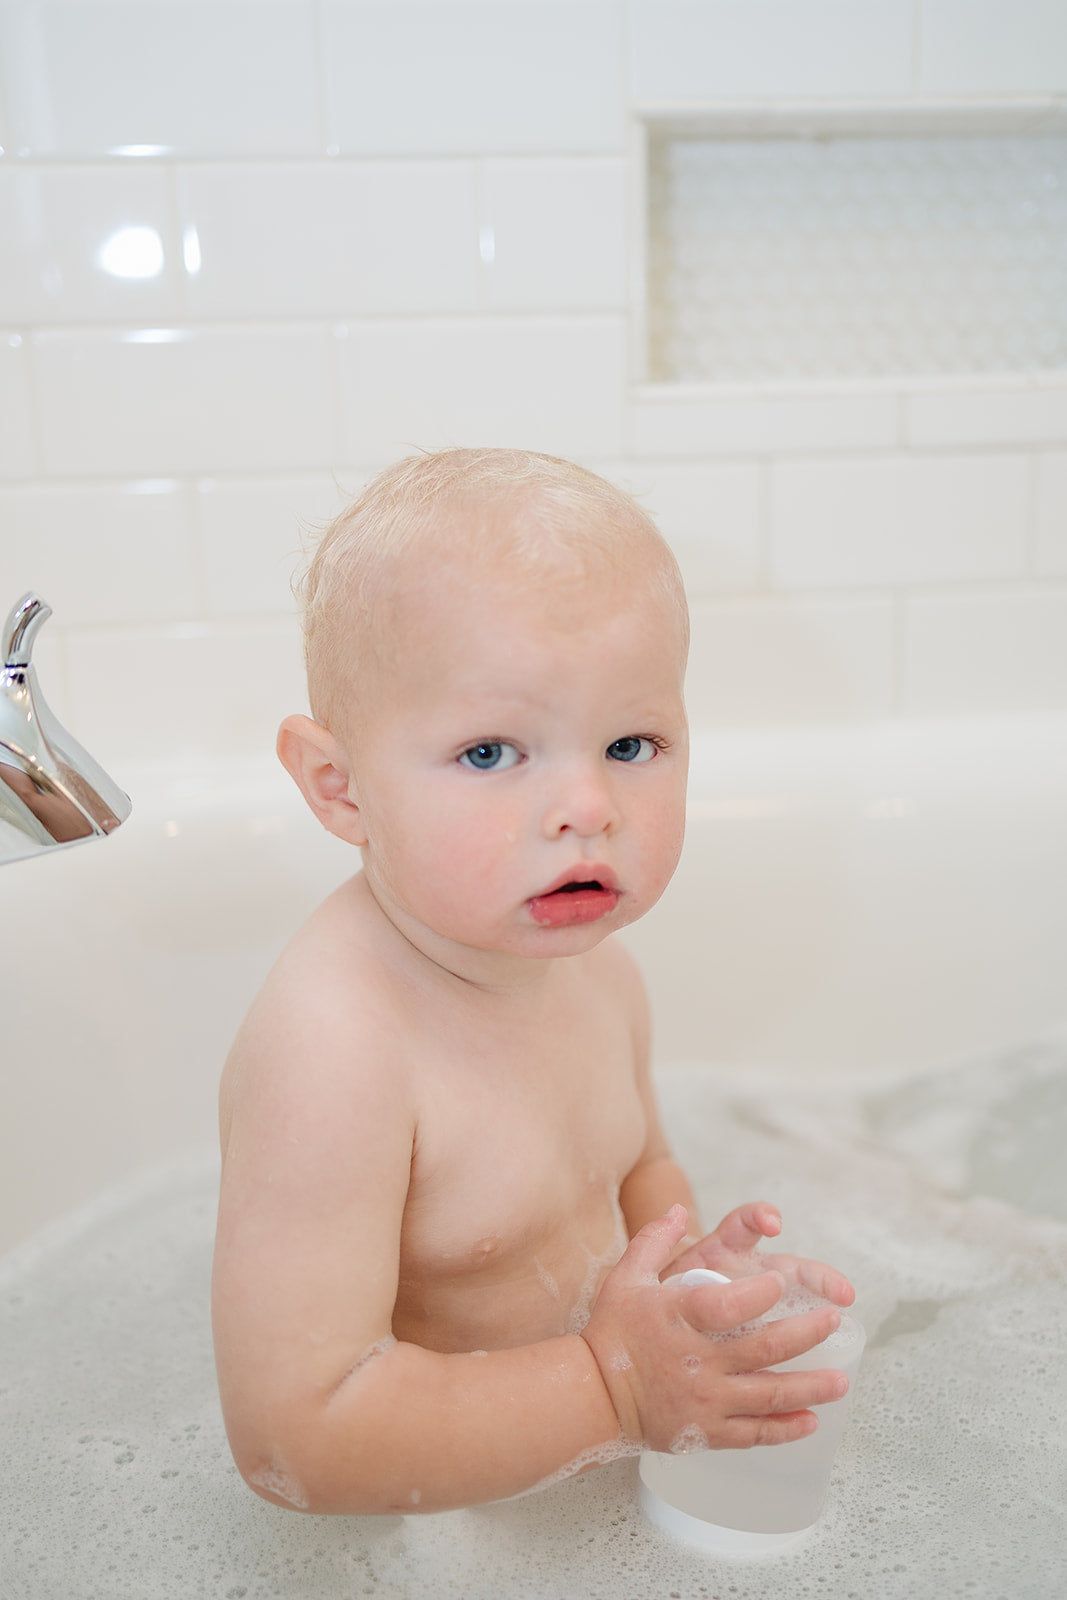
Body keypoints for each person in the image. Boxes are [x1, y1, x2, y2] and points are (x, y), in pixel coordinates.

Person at [211, 447, 855, 1517]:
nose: (585, 805)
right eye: (488, 753)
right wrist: (612, 1385)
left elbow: (638, 1161)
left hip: (589, 1459)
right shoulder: (335, 1050)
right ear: (339, 788)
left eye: (629, 741)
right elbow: (294, 1436)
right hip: (430, 1529)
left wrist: (684, 1277)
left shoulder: (599, 974)